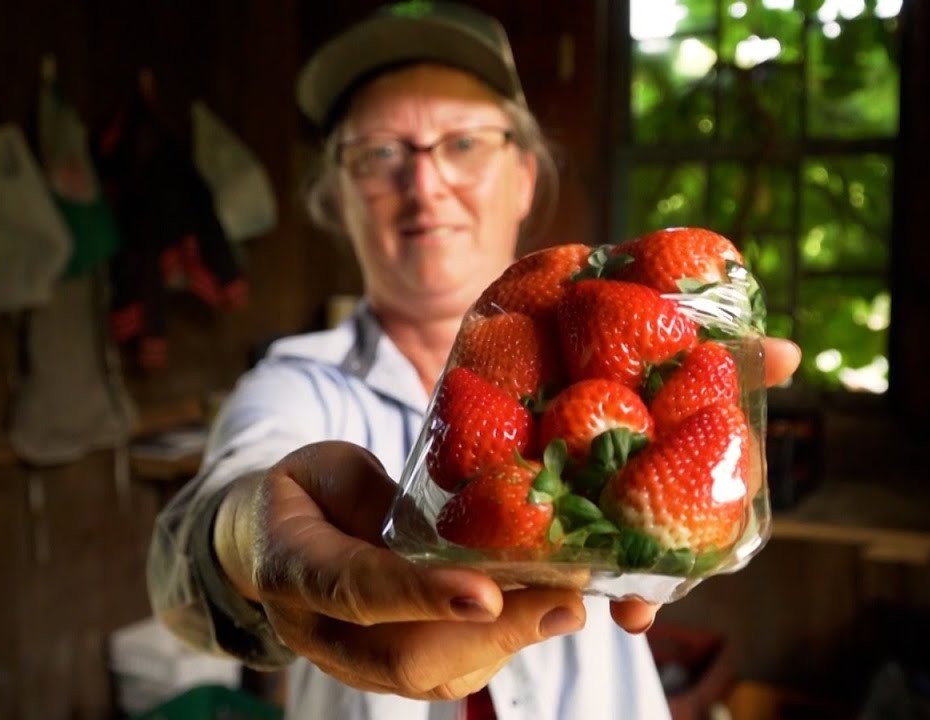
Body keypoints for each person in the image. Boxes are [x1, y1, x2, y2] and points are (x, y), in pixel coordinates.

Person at [146, 3, 803, 719]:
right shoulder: (299, 383)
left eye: (463, 143)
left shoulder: (644, 348)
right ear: (337, 196)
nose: (424, 186)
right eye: (379, 153)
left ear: (524, 175)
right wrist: (249, 534)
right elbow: (195, 544)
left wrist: (698, 451)